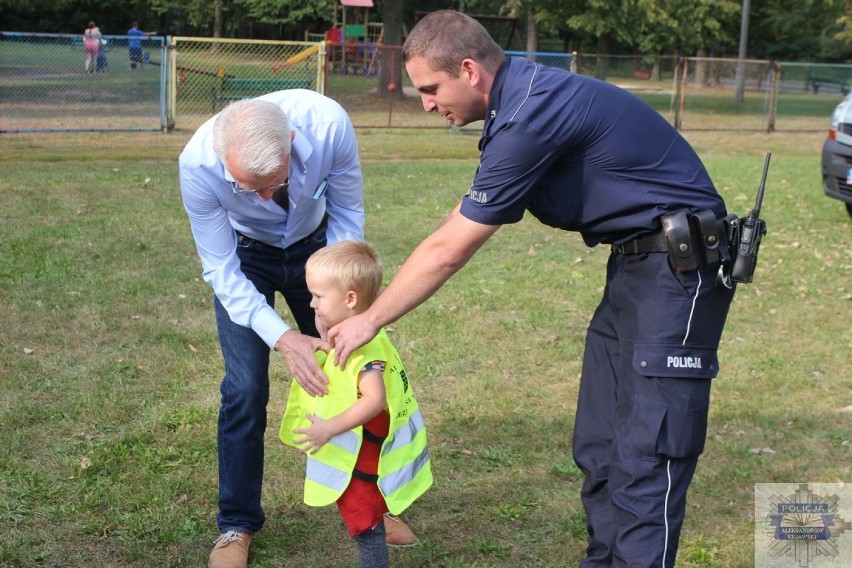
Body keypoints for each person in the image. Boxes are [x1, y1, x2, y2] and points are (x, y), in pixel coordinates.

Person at [327, 10, 737, 568]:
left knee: (648, 453)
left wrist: (370, 319)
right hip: (638, 269)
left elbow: (453, 247)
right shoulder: (521, 103)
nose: (425, 103)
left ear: (469, 70)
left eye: (430, 88)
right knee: (600, 446)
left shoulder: (529, 115)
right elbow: (457, 221)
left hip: (677, 277)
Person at [179, 92, 414, 568]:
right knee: (245, 388)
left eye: (275, 182)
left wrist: (342, 300)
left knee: (357, 382)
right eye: (249, 189)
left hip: (322, 253)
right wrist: (284, 338)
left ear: (291, 141)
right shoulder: (198, 165)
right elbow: (222, 269)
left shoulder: (329, 124)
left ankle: (374, 505)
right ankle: (237, 525)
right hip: (246, 259)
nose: (266, 198)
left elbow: (348, 215)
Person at [280, 240, 432, 568]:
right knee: (364, 517)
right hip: (359, 454)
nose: (311, 303)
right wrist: (324, 331)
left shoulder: (364, 351)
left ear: (350, 299)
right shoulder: (356, 333)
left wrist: (327, 429)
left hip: (362, 457)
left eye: (318, 297)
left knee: (367, 526)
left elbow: (374, 399)